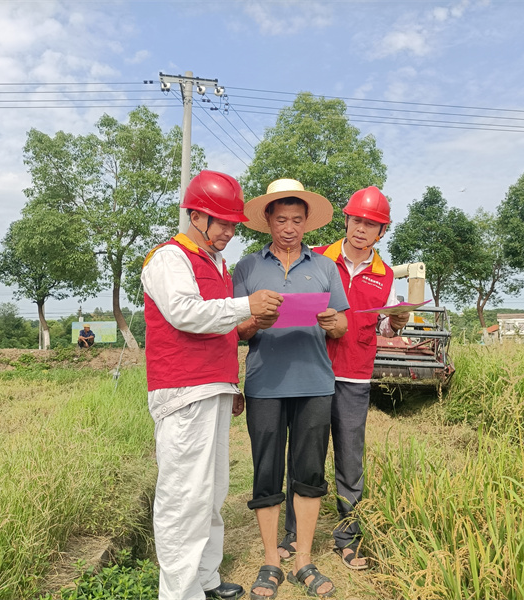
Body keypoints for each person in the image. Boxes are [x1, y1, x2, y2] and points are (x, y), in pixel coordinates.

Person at [141, 170, 284, 600]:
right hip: (183, 390)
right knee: (184, 497)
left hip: (210, 387)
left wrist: (246, 327)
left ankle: (205, 577)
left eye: (232, 225)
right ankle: (180, 593)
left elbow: (216, 326)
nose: (228, 231)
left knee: (211, 492)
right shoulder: (169, 259)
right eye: (220, 222)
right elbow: (185, 313)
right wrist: (245, 304)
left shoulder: (214, 263)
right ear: (195, 216)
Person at [278, 186, 409, 571]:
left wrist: (395, 321)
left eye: (372, 224)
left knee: (350, 460)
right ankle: (292, 534)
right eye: (357, 220)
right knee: (305, 455)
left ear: (382, 232)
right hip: (312, 372)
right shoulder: (317, 258)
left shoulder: (385, 275)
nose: (362, 229)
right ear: (346, 221)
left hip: (355, 376)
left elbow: (382, 324)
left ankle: (347, 538)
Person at [233, 179, 349, 600]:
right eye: (281, 219)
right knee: (266, 469)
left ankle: (302, 558)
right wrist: (254, 322)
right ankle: (270, 559)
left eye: (297, 220)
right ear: (267, 220)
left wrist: (333, 322)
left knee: (310, 471)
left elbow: (342, 324)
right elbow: (236, 328)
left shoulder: (324, 267)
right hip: (265, 383)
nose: (289, 228)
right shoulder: (246, 267)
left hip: (315, 382)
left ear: (307, 224)